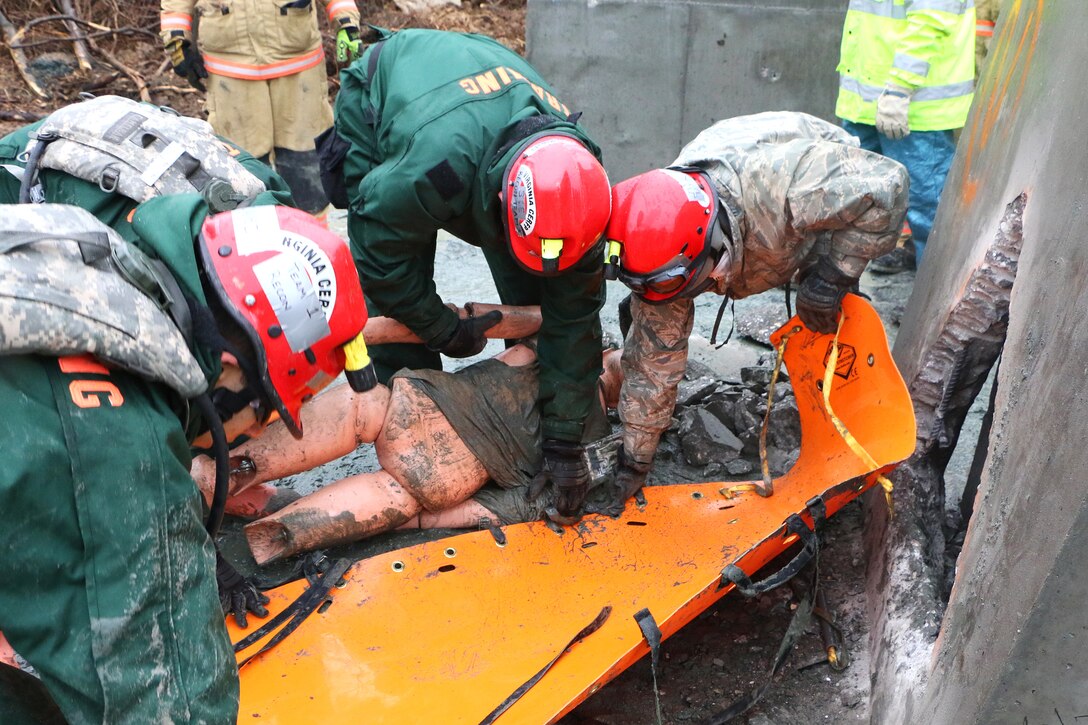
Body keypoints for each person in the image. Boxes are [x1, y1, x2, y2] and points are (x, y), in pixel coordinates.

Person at [0, 110, 375, 721]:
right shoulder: (114, 447)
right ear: (228, 367)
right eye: (262, 410)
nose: (256, 432)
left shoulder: (87, 253)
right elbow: (162, 699)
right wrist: (169, 553)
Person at [325, 28, 613, 520]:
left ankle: (525, 401)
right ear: (501, 202)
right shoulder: (432, 169)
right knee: (401, 262)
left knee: (543, 289)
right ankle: (408, 411)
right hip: (388, 91)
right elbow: (379, 255)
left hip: (476, 92)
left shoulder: (581, 195)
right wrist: (441, 328)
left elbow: (572, 311)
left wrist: (565, 442)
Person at [599, 111, 909, 513]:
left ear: (713, 246)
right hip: (741, 221)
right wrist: (635, 458)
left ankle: (847, 417)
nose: (672, 297)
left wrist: (835, 275)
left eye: (693, 284)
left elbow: (886, 187)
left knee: (824, 302)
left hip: (826, 185)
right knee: (655, 328)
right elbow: (654, 365)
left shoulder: (788, 191)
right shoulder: (657, 249)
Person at [192, 345, 625, 564]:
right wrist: (421, 517)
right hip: (450, 469)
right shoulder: (596, 448)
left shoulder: (552, 344)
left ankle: (220, 476)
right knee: (398, 496)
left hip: (415, 403)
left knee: (364, 406)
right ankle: (274, 534)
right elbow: (526, 504)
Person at [160, 0, 365, 215]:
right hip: (231, 71)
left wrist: (346, 22)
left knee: (307, 166)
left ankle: (311, 239)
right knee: (242, 170)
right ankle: (254, 240)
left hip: (298, 66)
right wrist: (177, 41)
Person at [834, 0, 974, 273]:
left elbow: (931, 19)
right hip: (866, 103)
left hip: (912, 109)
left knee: (928, 212)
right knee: (847, 203)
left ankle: (933, 305)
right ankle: (836, 298)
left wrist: (900, 87)